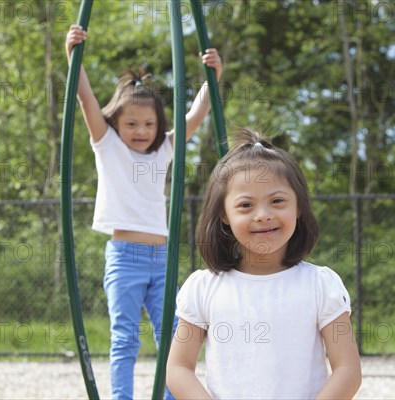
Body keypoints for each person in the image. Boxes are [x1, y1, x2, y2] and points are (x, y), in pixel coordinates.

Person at [65, 24, 223, 400]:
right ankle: (121, 398)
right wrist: (74, 56)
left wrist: (213, 76)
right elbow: (85, 99)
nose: (140, 130)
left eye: (149, 124)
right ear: (115, 123)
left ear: (159, 126)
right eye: (131, 123)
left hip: (162, 257)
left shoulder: (164, 149)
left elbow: (199, 112)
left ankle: (171, 395)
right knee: (124, 336)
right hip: (124, 258)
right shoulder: (108, 146)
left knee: (171, 335)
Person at [166, 129, 362, 399]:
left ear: (299, 206)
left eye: (277, 201)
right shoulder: (203, 287)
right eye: (246, 205)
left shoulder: (321, 285)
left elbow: (347, 370)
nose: (263, 215)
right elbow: (178, 368)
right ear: (224, 214)